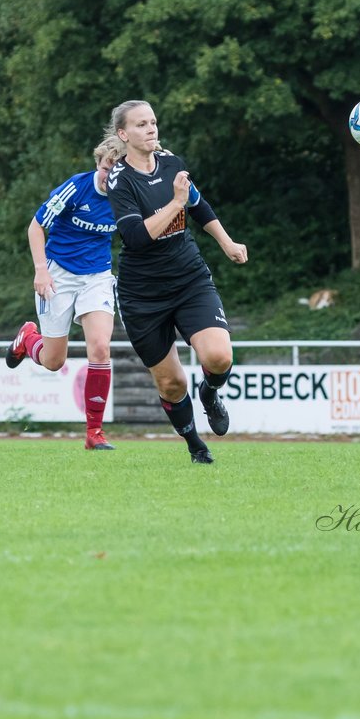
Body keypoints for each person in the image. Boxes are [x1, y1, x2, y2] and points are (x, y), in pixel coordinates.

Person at [103, 100, 248, 464]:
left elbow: (196, 205)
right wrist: (174, 203)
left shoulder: (172, 163)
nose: (151, 129)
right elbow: (136, 236)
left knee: (218, 356)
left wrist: (227, 242)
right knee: (171, 384)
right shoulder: (120, 181)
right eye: (140, 125)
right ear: (124, 134)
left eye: (152, 122)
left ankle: (211, 393)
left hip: (188, 277)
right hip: (142, 294)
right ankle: (196, 446)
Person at [6, 137, 122, 451]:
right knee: (54, 361)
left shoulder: (128, 197)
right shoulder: (76, 188)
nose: (108, 176)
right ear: (99, 163)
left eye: (115, 170)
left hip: (96, 277)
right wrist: (40, 270)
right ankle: (28, 338)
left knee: (100, 347)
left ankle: (94, 433)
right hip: (58, 274)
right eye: (105, 167)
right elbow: (35, 226)